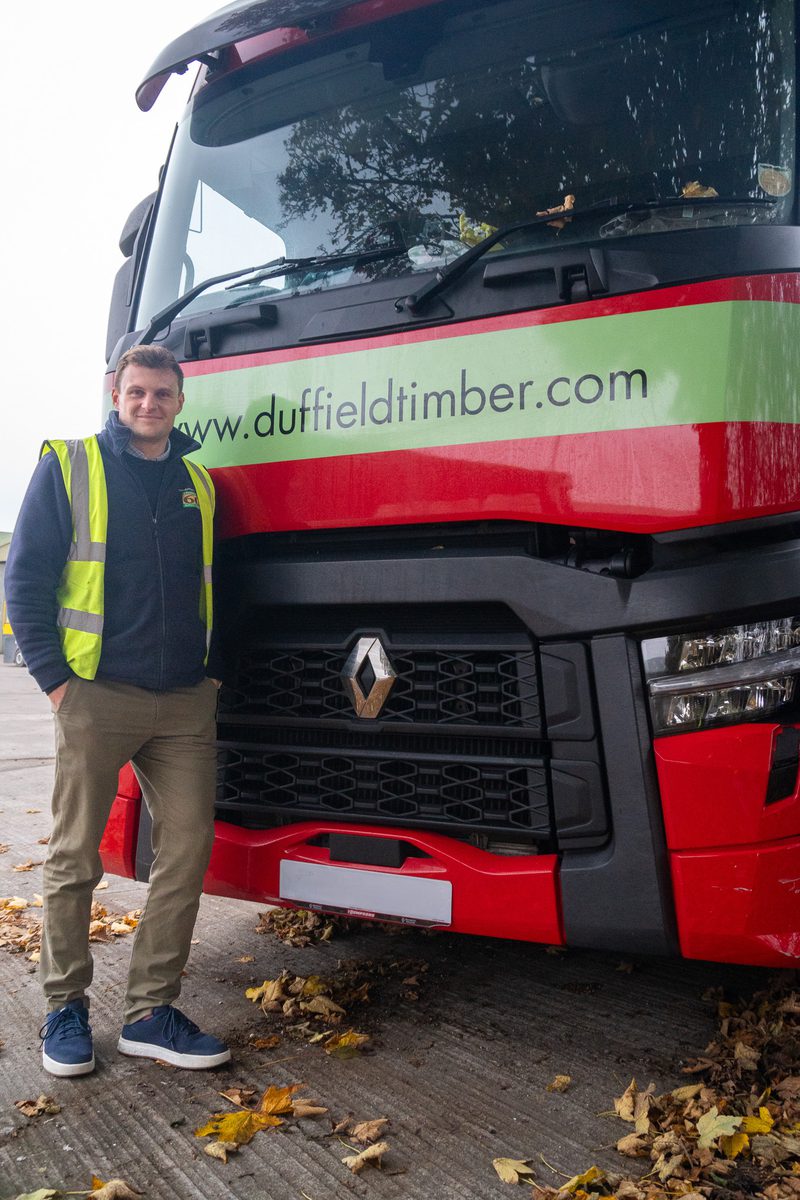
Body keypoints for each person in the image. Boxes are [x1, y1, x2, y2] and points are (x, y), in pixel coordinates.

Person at [5, 343, 230, 1076]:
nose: (148, 404)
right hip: (96, 696)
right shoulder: (71, 465)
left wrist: (213, 675)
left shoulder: (199, 480)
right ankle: (64, 1007)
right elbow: (26, 576)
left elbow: (213, 585)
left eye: (161, 394)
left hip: (184, 703)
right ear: (115, 393)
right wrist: (57, 681)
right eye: (135, 392)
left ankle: (149, 1013)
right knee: (74, 859)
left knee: (189, 846)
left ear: (179, 400)